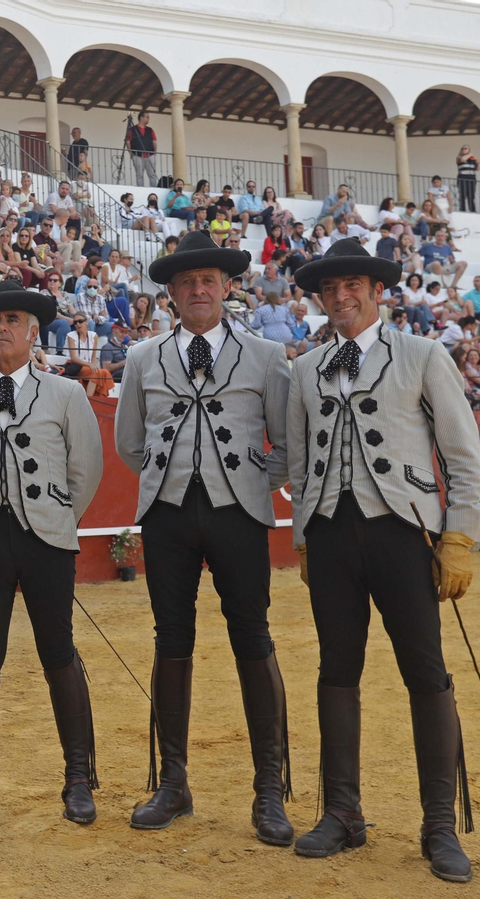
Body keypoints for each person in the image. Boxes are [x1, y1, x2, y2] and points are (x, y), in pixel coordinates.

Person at [286, 239, 480, 882]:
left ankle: (438, 824)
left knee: (426, 672)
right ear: (320, 298)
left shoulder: (423, 353)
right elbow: (298, 461)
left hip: (403, 533)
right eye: (330, 288)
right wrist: (302, 538)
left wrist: (458, 534)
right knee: (336, 669)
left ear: (376, 291)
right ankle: (342, 812)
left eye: (353, 285)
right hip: (330, 537)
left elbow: (461, 452)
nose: (341, 296)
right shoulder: (305, 368)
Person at [115, 230, 294, 845]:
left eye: (209, 279)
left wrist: (249, 480)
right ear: (170, 293)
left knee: (252, 634)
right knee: (172, 637)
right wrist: (173, 479)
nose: (198, 289)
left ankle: (269, 788)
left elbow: (286, 445)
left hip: (238, 513)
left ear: (227, 286)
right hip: (167, 512)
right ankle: (174, 781)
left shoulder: (267, 356)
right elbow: (130, 444)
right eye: (186, 281)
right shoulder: (143, 358)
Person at [0, 280, 105, 825]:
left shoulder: (66, 394)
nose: (0, 329)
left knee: (58, 651)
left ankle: (78, 778)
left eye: (11, 319)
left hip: (46, 540)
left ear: (34, 332)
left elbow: (85, 470)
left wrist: (56, 518)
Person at [63, 313, 113, 397]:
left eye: (80, 321)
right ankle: (89, 399)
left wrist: (93, 365)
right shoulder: (71, 336)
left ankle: (96, 398)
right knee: (98, 373)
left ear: (86, 322)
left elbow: (93, 356)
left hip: (88, 366)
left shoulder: (94, 336)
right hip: (76, 366)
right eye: (75, 322)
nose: (78, 324)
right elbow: (74, 358)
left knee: (104, 372)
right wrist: (90, 365)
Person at [125, 111, 159, 187]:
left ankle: (154, 189)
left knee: (152, 174)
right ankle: (141, 189)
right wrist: (131, 154)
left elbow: (154, 141)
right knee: (139, 174)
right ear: (141, 118)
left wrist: (155, 153)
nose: (148, 119)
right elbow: (128, 142)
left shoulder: (150, 130)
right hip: (137, 155)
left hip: (150, 155)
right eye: (147, 117)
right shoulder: (132, 130)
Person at [454, 146, 478, 213]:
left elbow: (477, 168)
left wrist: (476, 160)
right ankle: (462, 210)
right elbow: (462, 160)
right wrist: (470, 154)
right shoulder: (459, 157)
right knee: (462, 195)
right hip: (462, 179)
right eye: (462, 148)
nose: (463, 150)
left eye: (465, 148)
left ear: (469, 150)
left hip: (472, 179)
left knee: (471, 195)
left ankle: (472, 210)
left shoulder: (473, 159)